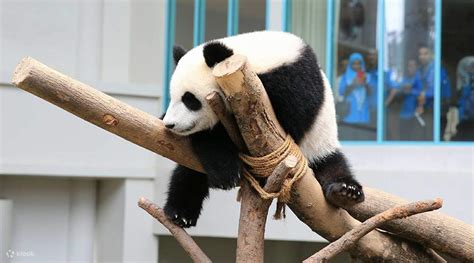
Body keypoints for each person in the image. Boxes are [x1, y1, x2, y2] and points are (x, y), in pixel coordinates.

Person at [415, 45, 452, 140]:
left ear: (431, 55)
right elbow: (418, 88)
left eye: (425, 54)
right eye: (420, 54)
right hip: (427, 108)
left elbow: (432, 89)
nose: (422, 56)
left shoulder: (437, 69)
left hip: (439, 108)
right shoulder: (420, 70)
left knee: (436, 138)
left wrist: (422, 98)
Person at [338, 53, 374, 140]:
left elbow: (371, 93)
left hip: (363, 116)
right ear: (350, 65)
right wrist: (353, 84)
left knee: (363, 141)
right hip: (349, 116)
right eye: (354, 63)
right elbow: (342, 93)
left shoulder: (368, 76)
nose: (356, 66)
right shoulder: (345, 77)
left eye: (359, 63)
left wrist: (365, 83)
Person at [398, 59, 424, 140]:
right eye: (409, 66)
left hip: (414, 115)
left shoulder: (418, 78)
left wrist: (411, 90)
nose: (410, 68)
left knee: (413, 139)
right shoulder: (405, 78)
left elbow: (421, 93)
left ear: (416, 67)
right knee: (403, 137)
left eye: (412, 66)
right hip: (402, 114)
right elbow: (399, 91)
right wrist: (403, 89)